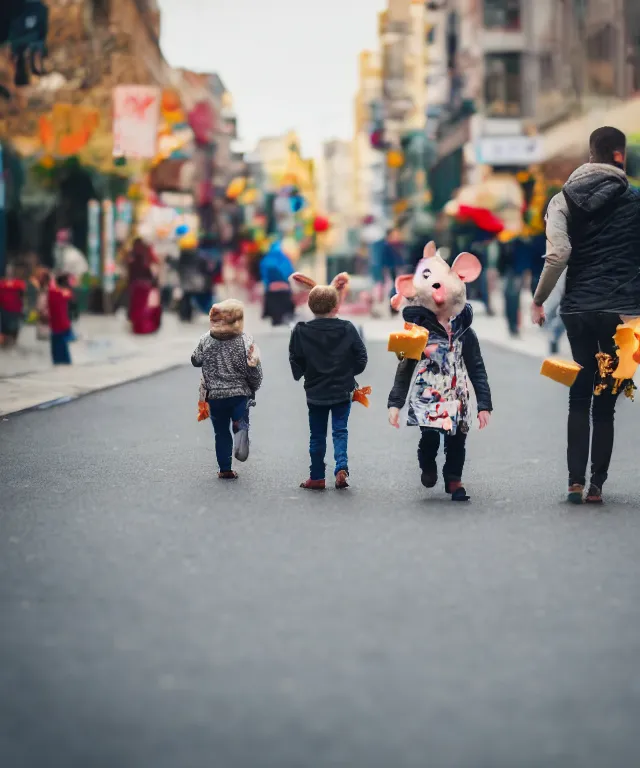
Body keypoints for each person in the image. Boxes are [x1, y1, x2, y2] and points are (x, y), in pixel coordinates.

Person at [531, 126, 640, 504]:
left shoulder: (562, 199)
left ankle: (574, 481)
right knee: (606, 401)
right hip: (621, 314)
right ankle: (596, 486)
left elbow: (558, 254)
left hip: (577, 309)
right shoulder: (635, 200)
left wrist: (539, 298)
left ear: (590, 155)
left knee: (579, 395)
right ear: (619, 156)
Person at [387, 242, 492, 502]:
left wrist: (484, 405)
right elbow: (405, 366)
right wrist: (395, 403)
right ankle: (428, 464)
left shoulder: (466, 333)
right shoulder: (420, 332)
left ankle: (454, 480)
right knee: (430, 437)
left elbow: (477, 367)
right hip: (428, 397)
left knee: (457, 441)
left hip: (457, 396)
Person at [289, 272, 368, 490]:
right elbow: (361, 357)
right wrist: (350, 374)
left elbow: (295, 358)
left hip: (315, 391)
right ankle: (341, 466)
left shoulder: (301, 331)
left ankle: (317, 476)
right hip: (342, 389)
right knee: (340, 430)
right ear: (336, 305)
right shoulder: (347, 328)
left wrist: (303, 374)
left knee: (317, 435)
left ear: (310, 305)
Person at [191, 299, 263, 480]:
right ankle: (241, 429)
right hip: (239, 394)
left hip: (215, 396)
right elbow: (253, 368)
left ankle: (225, 469)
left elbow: (195, 360)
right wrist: (254, 386)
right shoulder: (245, 340)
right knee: (239, 420)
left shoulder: (206, 339)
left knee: (221, 432)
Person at [127, 238, 161, 334]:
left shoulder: (132, 255)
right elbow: (154, 271)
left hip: (135, 285)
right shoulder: (148, 255)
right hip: (146, 285)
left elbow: (130, 272)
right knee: (148, 308)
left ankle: (138, 328)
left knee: (137, 308)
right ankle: (147, 327)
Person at [260, 240, 295, 326]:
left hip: (271, 289)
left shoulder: (266, 259)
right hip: (284, 288)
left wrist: (267, 284)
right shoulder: (285, 259)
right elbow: (289, 272)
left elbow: (263, 274)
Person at [48, 274, 73, 365]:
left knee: (56, 354)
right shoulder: (64, 293)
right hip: (63, 326)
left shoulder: (52, 293)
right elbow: (69, 295)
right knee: (64, 355)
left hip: (55, 326)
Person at [0, 268, 26, 347]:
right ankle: (6, 341)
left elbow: (22, 295)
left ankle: (11, 340)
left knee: (13, 326)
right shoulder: (2, 283)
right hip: (5, 309)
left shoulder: (19, 283)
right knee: (5, 327)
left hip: (15, 309)